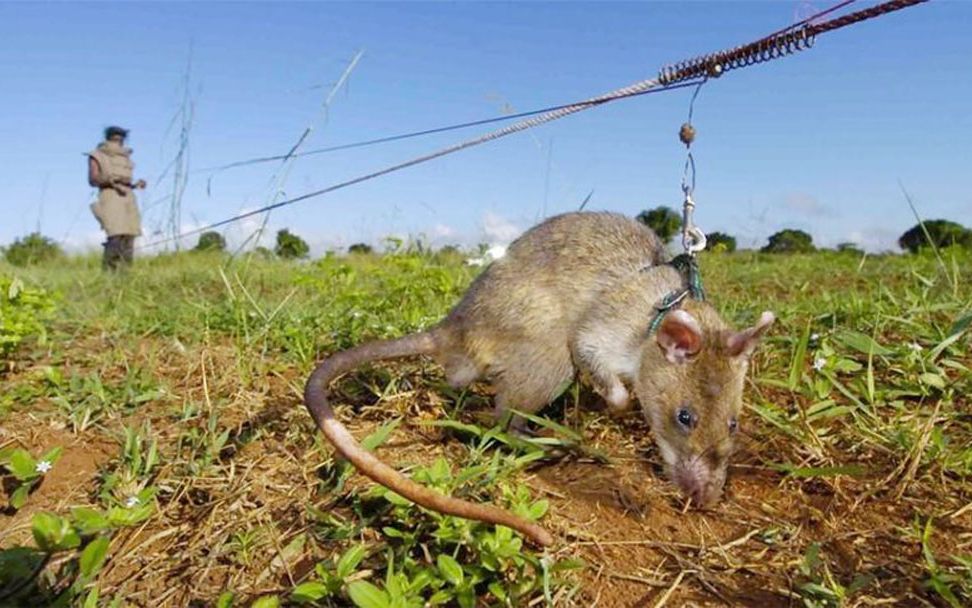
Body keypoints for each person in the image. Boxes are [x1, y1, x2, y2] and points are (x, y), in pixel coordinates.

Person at [87, 126, 146, 270]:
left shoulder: (126, 158)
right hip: (110, 195)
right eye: (115, 138)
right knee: (115, 235)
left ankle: (126, 274)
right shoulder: (97, 155)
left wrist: (134, 185)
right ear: (108, 138)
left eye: (120, 138)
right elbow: (93, 180)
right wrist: (112, 183)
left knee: (129, 235)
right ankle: (109, 274)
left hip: (128, 195)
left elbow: (124, 180)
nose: (117, 141)